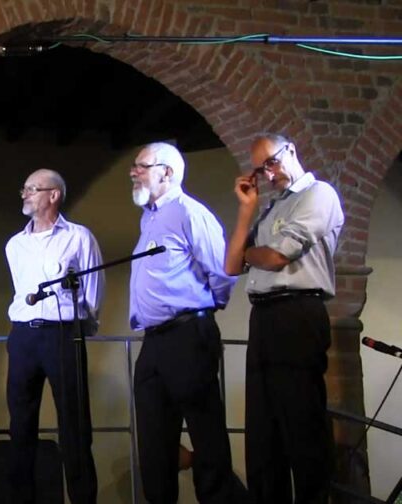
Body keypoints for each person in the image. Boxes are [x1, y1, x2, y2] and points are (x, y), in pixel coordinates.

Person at [225, 133, 343, 503]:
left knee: (302, 425)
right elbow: (231, 265)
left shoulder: (317, 194)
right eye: (261, 170)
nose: (269, 174)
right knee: (264, 431)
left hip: (297, 313)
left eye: (271, 163)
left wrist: (251, 254)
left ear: (290, 150)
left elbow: (278, 256)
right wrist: (246, 210)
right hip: (263, 317)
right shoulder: (269, 209)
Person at [127, 142, 247, 503]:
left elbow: (222, 272)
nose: (133, 172)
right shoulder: (149, 217)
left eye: (141, 166)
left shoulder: (189, 212)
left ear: (167, 172)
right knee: (153, 437)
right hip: (154, 340)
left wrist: (204, 311)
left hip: (187, 335)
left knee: (204, 432)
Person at [5, 168, 102, 504]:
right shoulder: (15, 244)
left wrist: (81, 328)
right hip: (23, 337)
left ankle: (82, 497)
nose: (25, 194)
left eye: (32, 189)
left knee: (75, 425)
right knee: (20, 425)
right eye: (24, 188)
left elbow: (92, 292)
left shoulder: (79, 237)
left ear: (53, 195)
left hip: (62, 334)